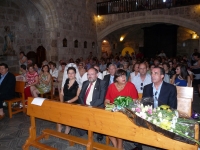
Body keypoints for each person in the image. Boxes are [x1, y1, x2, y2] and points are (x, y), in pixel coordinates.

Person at [134, 67, 177, 150]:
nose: (153, 75)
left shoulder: (170, 88)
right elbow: (144, 105)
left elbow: (173, 107)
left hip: (164, 117)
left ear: (162, 76)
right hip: (150, 117)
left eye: (156, 73)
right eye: (152, 73)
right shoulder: (147, 88)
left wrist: (162, 118)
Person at [104, 69, 138, 150]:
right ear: (116, 78)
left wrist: (124, 108)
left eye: (124, 75)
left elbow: (135, 102)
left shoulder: (131, 86)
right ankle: (116, 145)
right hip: (113, 112)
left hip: (126, 113)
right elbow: (106, 101)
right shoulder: (111, 86)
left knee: (118, 125)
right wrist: (113, 107)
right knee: (104, 125)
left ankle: (119, 143)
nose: (123, 77)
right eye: (120, 76)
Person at [78, 68, 107, 141]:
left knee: (98, 118)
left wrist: (90, 106)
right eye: (88, 74)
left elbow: (101, 99)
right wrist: (83, 105)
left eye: (92, 74)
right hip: (85, 106)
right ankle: (88, 129)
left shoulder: (102, 83)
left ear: (96, 75)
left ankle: (100, 133)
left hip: (97, 107)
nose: (89, 76)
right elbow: (80, 96)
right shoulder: (85, 83)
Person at [58, 67, 81, 134]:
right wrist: (62, 102)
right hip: (65, 101)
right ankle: (60, 126)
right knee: (57, 111)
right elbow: (61, 93)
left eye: (72, 73)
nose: (70, 75)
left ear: (75, 74)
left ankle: (68, 127)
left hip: (73, 102)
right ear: (67, 74)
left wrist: (68, 102)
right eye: (69, 73)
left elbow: (77, 96)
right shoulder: (66, 80)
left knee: (67, 111)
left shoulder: (78, 83)